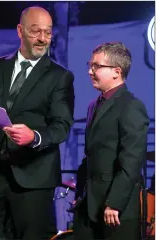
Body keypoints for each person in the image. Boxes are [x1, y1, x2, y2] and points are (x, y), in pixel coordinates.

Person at [0, 6, 75, 240]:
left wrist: (34, 136)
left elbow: (61, 126)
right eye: (36, 32)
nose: (43, 39)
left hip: (33, 176)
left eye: (48, 32)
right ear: (20, 30)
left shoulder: (60, 76)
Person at [73, 42, 149, 240]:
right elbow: (91, 154)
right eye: (90, 65)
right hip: (88, 205)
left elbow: (131, 160)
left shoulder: (131, 106)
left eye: (96, 66)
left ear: (117, 71)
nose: (90, 71)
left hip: (115, 210)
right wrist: (79, 195)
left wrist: (114, 203)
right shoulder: (93, 105)